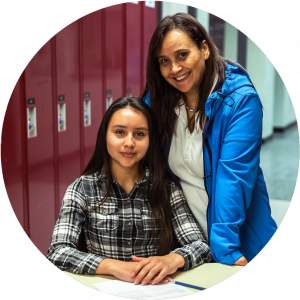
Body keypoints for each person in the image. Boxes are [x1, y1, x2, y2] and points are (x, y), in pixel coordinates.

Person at [141, 13, 278, 266]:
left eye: (182, 55)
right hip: (188, 245)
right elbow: (134, 151)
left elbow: (232, 177)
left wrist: (225, 249)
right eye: (164, 61)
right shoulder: (159, 99)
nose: (175, 69)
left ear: (204, 48)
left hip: (239, 242)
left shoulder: (240, 102)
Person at [47, 97, 212, 286]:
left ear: (150, 139)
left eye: (139, 134)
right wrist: (113, 266)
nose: (129, 142)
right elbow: (58, 251)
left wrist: (171, 260)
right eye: (119, 132)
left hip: (156, 291)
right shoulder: (82, 189)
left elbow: (200, 246)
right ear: (105, 136)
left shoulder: (166, 189)